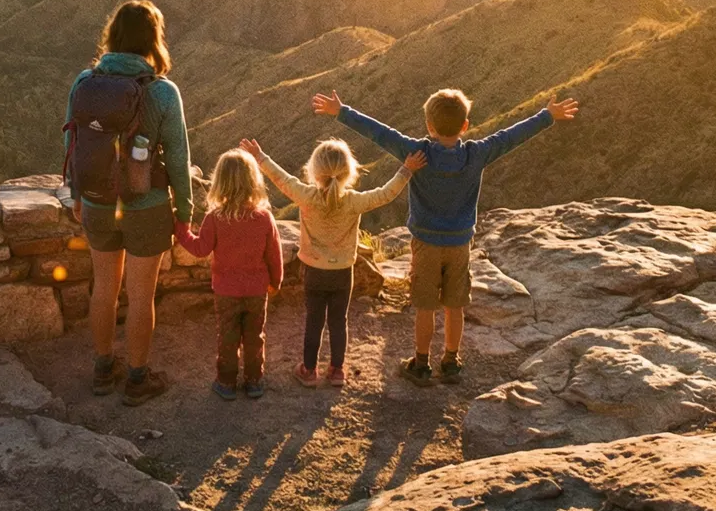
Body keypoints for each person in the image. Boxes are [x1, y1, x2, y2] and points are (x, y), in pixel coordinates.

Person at [314, 87, 577, 385]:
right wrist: (547, 116)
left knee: (425, 306)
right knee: (455, 305)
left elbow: (380, 133)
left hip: (425, 245)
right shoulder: (477, 154)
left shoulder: (417, 153)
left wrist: (342, 111)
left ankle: (421, 364)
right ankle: (451, 361)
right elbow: (511, 137)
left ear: (429, 126)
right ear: (465, 125)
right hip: (460, 244)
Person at [63, 0, 192, 406]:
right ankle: (137, 379)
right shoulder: (163, 92)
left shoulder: (85, 81)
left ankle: (103, 369)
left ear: (113, 36)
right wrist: (185, 213)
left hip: (98, 202)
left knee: (103, 287)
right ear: (153, 40)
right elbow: (179, 158)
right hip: (147, 205)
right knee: (141, 296)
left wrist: (76, 195)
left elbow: (72, 142)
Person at [239, 137, 424, 387]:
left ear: (315, 171)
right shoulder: (354, 201)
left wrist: (260, 156)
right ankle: (337, 370)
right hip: (343, 272)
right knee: (339, 322)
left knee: (313, 321)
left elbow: (281, 179)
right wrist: (406, 170)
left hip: (314, 272)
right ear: (349, 172)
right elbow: (386, 194)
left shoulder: (307, 196)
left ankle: (309, 370)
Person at [176, 149, 284, 400]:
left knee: (227, 336)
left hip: (226, 292)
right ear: (253, 181)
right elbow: (274, 254)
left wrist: (181, 230)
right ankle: (254, 381)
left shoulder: (215, 218)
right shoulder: (264, 218)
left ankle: (226, 383)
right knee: (255, 336)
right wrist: (276, 281)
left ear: (220, 183)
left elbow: (200, 249)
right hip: (257, 291)